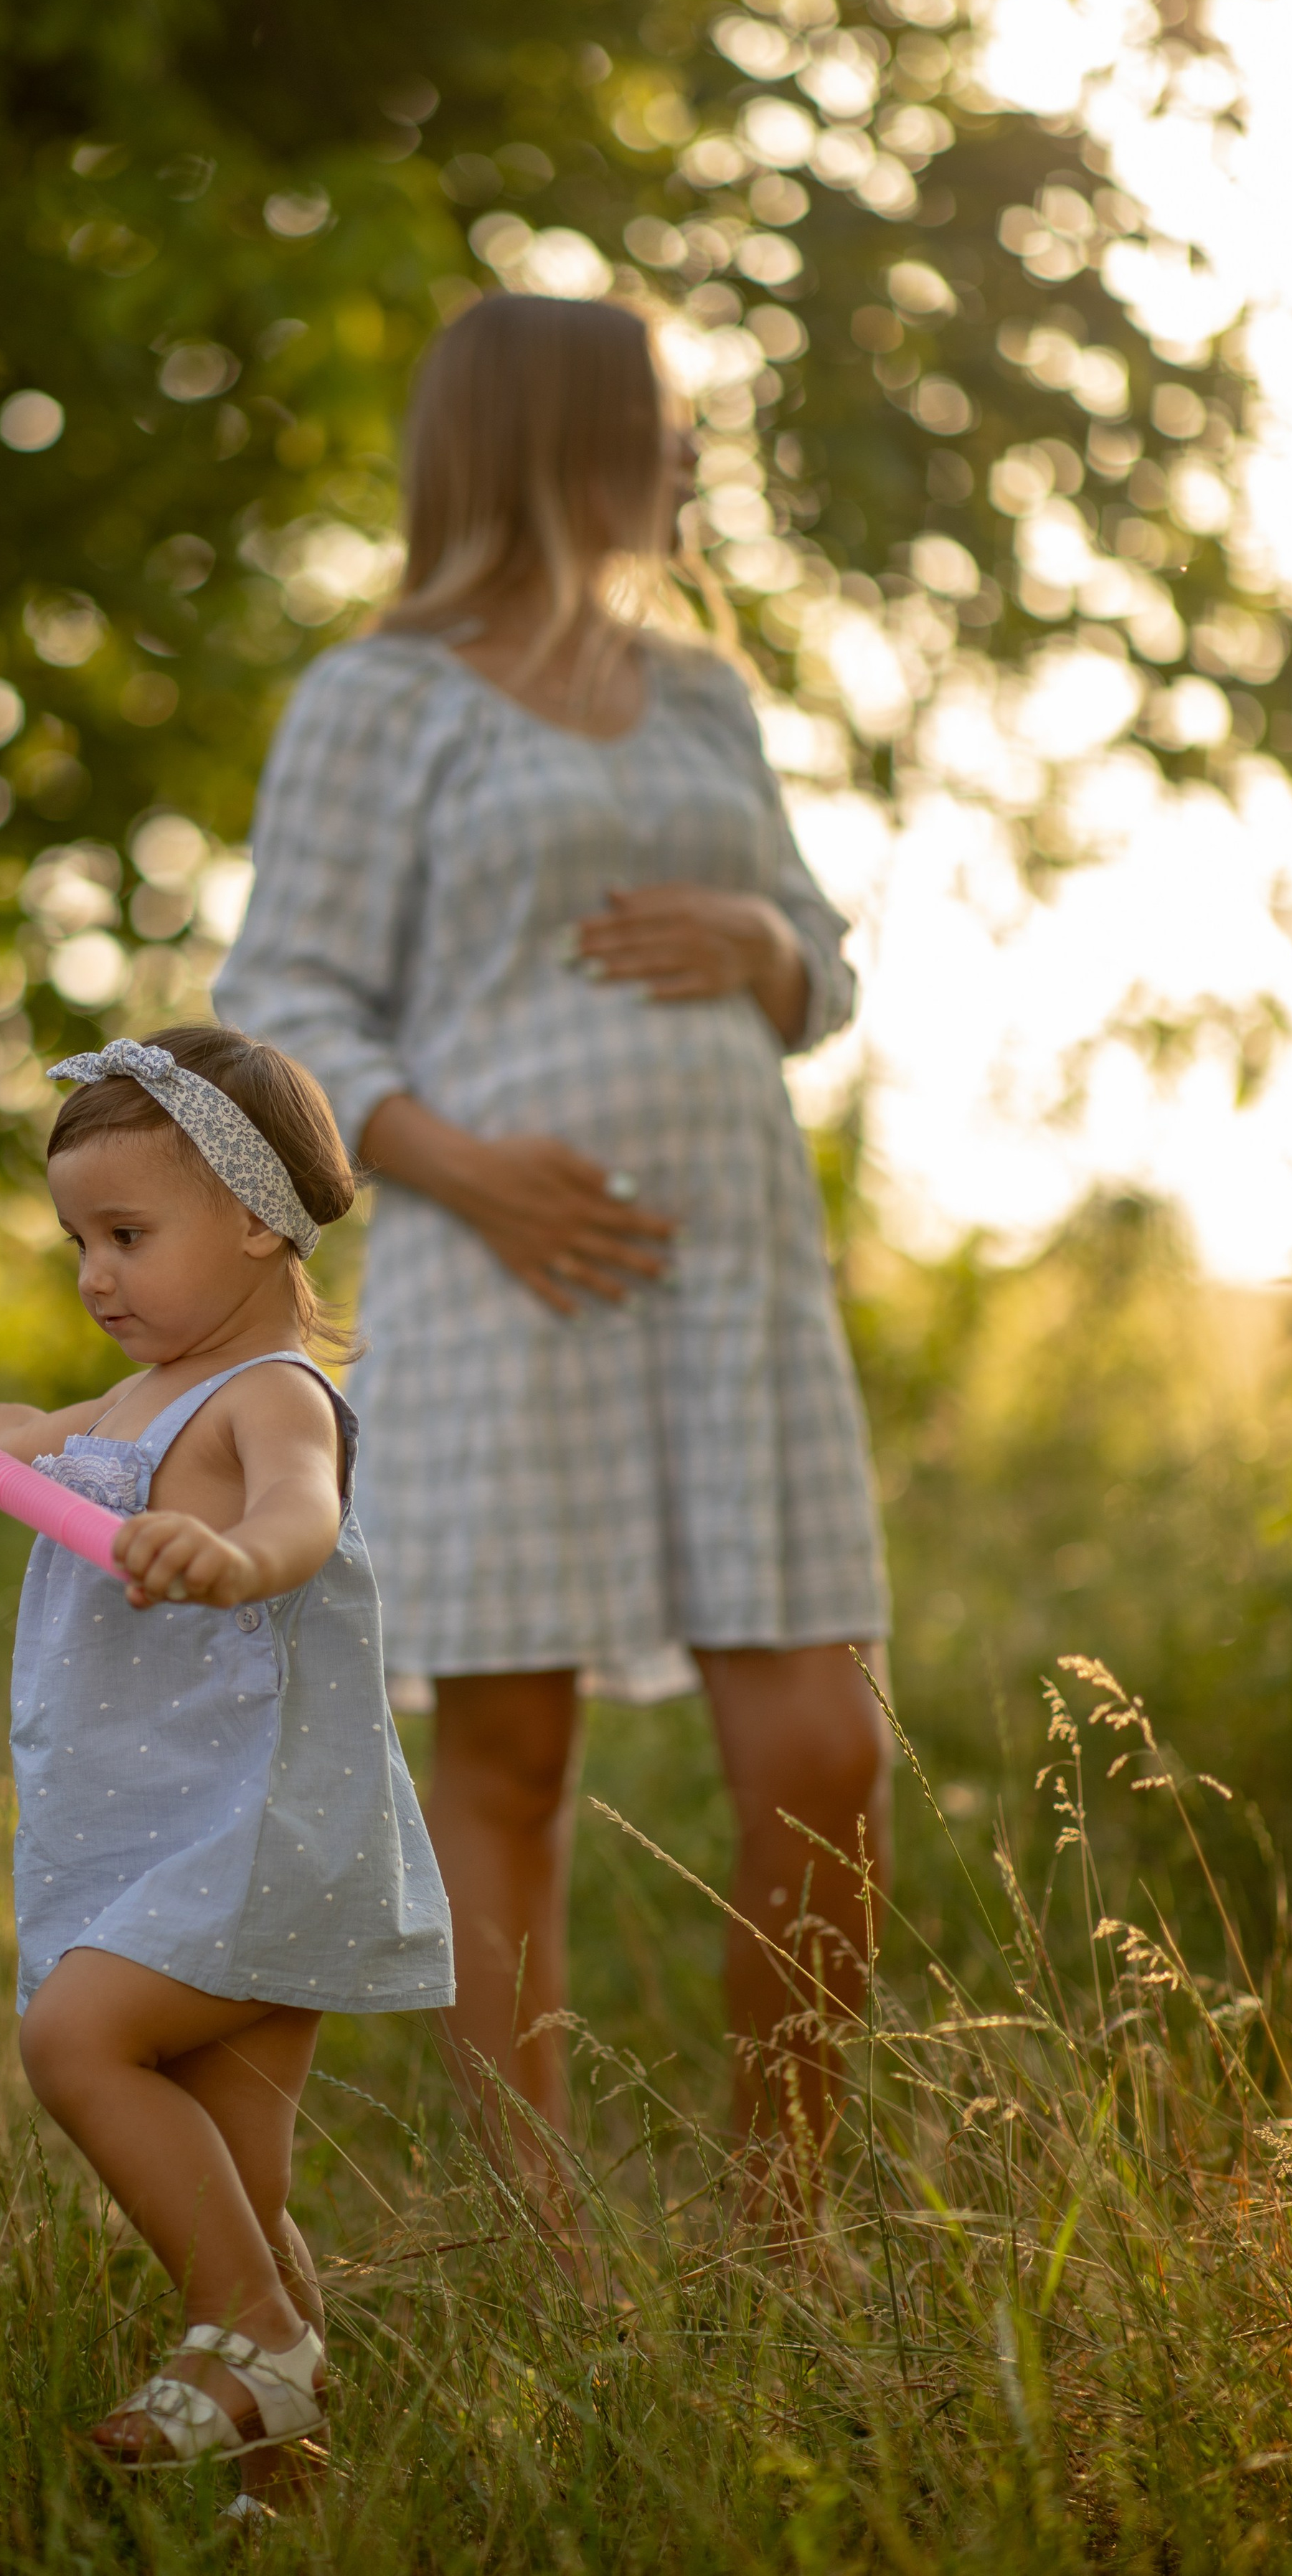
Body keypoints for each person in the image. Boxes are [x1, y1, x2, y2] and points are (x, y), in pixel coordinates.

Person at [216, 292, 890, 2197]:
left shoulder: (703, 694)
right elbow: (285, 1011)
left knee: (823, 1748)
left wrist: (768, 953)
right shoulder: (382, 700)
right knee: (509, 1757)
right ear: (548, 438)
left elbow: (818, 956)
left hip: (737, 1286)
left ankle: (788, 2218)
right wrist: (464, 1163)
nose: (688, 458)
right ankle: (541, 2230)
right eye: (660, 422)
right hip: (493, 1285)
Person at [0, 1026, 452, 2498]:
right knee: (238, 2173)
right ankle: (285, 2472)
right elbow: (14, 1441)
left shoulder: (265, 1394)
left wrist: (226, 1554)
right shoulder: (134, 1404)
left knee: (76, 2041)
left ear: (257, 1219)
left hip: (261, 1825)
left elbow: (303, 1515)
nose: (94, 1271)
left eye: (128, 1234)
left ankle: (253, 2333)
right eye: (78, 1237)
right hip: (165, 1828)